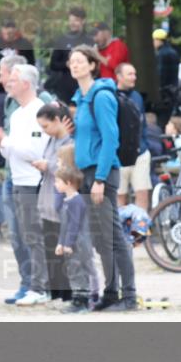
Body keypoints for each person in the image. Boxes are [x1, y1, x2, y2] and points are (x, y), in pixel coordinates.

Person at [69, 44, 137, 312]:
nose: (74, 65)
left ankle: (128, 295)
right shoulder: (82, 98)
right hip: (88, 173)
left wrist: (99, 178)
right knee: (100, 237)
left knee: (113, 235)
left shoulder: (102, 96)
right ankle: (110, 293)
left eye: (80, 61)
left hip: (103, 173)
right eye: (71, 61)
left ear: (92, 65)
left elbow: (111, 139)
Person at [0, 64, 49, 306]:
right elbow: (12, 152)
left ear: (26, 83)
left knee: (33, 234)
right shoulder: (16, 115)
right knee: (20, 235)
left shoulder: (39, 112)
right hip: (16, 178)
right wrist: (6, 145)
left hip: (32, 181)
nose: (8, 83)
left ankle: (40, 286)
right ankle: (29, 283)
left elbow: (34, 151)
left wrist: (5, 141)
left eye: (14, 79)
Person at [33, 102, 74, 301]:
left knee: (61, 249)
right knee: (50, 248)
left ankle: (67, 292)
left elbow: (66, 168)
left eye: (46, 126)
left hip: (59, 204)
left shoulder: (67, 142)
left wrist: (46, 165)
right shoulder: (52, 140)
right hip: (47, 202)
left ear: (57, 120)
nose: (44, 131)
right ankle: (55, 291)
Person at [53, 166, 95, 313]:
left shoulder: (76, 202)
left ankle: (82, 300)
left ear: (69, 183)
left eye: (58, 181)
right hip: (70, 244)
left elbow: (74, 224)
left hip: (79, 244)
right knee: (72, 270)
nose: (55, 184)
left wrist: (69, 243)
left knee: (79, 270)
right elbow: (64, 226)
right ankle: (76, 297)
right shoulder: (66, 200)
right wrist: (60, 242)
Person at [114, 62, 151, 210]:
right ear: (119, 77)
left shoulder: (137, 96)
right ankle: (121, 231)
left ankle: (139, 232)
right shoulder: (111, 97)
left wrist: (144, 144)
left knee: (142, 193)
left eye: (135, 74)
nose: (134, 77)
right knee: (120, 196)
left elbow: (143, 124)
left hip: (139, 152)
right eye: (130, 74)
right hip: (118, 155)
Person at [46, 5, 93, 103]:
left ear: (83, 21)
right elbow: (53, 65)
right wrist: (66, 64)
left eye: (76, 20)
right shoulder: (62, 39)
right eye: (70, 20)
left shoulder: (90, 40)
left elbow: (94, 63)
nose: (72, 23)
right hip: (64, 88)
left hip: (84, 85)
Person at [0, 19, 35, 93]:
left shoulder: (25, 45)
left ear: (15, 31)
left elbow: (31, 65)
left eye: (11, 32)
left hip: (21, 87)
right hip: (0, 88)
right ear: (2, 30)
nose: (8, 34)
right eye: (6, 31)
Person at [154, 28, 180, 127]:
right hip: (173, 91)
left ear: (158, 40)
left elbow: (161, 75)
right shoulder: (173, 52)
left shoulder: (161, 54)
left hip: (164, 94)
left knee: (161, 122)